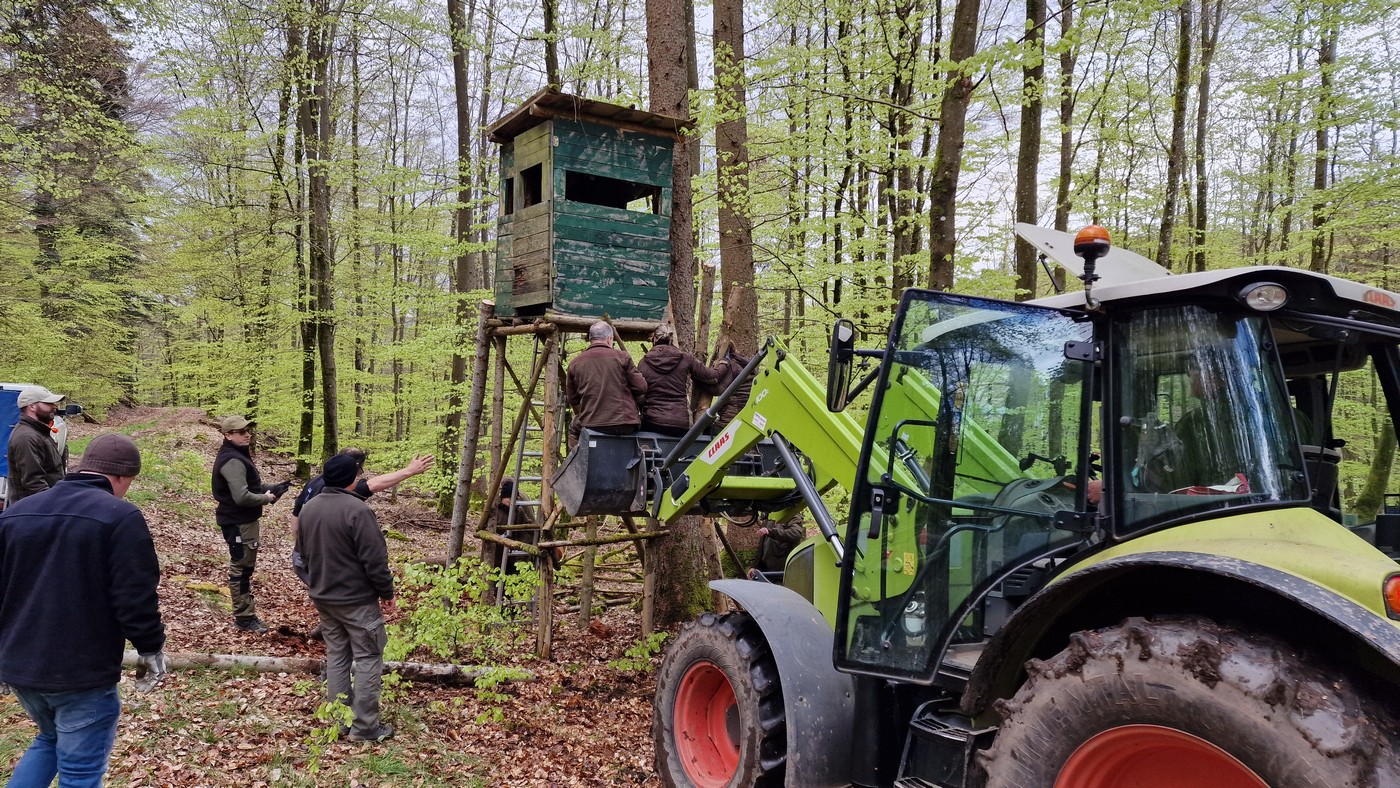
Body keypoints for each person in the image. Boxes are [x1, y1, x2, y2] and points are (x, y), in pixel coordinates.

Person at [0, 433, 166, 786]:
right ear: (121, 477)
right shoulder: (120, 516)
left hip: (20, 665)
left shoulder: (17, 513)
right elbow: (135, 596)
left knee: (49, 738)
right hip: (80, 671)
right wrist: (150, 647)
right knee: (81, 772)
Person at [297, 453, 396, 743]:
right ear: (351, 479)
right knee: (367, 658)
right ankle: (364, 727)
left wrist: (317, 584)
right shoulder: (357, 510)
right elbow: (375, 559)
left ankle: (339, 720)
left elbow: (302, 555)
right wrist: (386, 592)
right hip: (356, 600)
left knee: (337, 655)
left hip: (324, 597)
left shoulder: (309, 508)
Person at [289, 448, 435, 581]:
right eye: (359, 470)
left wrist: (300, 548)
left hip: (306, 557)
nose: (359, 475)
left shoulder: (316, 481)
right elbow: (372, 485)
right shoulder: (342, 489)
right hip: (325, 564)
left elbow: (296, 515)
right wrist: (408, 471)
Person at [211, 415, 291, 633]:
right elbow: (241, 496)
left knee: (244, 566)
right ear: (227, 435)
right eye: (240, 432)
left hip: (242, 522)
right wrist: (267, 498)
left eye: (247, 431)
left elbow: (248, 486)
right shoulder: (232, 460)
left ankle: (245, 614)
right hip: (239, 523)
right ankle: (244, 617)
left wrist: (271, 487)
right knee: (241, 569)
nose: (247, 435)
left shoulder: (236, 456)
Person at [565, 321, 647, 440]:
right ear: (609, 339)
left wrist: (586, 414)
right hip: (625, 423)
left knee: (573, 429)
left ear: (591, 339)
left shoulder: (574, 363)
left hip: (591, 424)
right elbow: (641, 387)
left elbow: (573, 399)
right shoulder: (622, 357)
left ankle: (578, 457)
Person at [638, 324, 722, 436]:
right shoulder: (685, 358)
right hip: (680, 423)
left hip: (652, 422)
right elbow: (712, 377)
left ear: (654, 339)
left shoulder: (643, 363)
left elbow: (638, 392)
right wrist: (724, 363)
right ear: (671, 339)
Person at [5, 385, 67, 505]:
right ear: (32, 406)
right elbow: (34, 483)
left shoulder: (39, 432)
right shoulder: (26, 437)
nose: (54, 406)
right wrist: (53, 507)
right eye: (48, 403)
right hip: (32, 511)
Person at [705, 344, 753, 428]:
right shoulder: (747, 368)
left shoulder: (732, 367)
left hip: (729, 421)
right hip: (744, 422)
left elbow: (718, 390)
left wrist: (699, 381)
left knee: (703, 431)